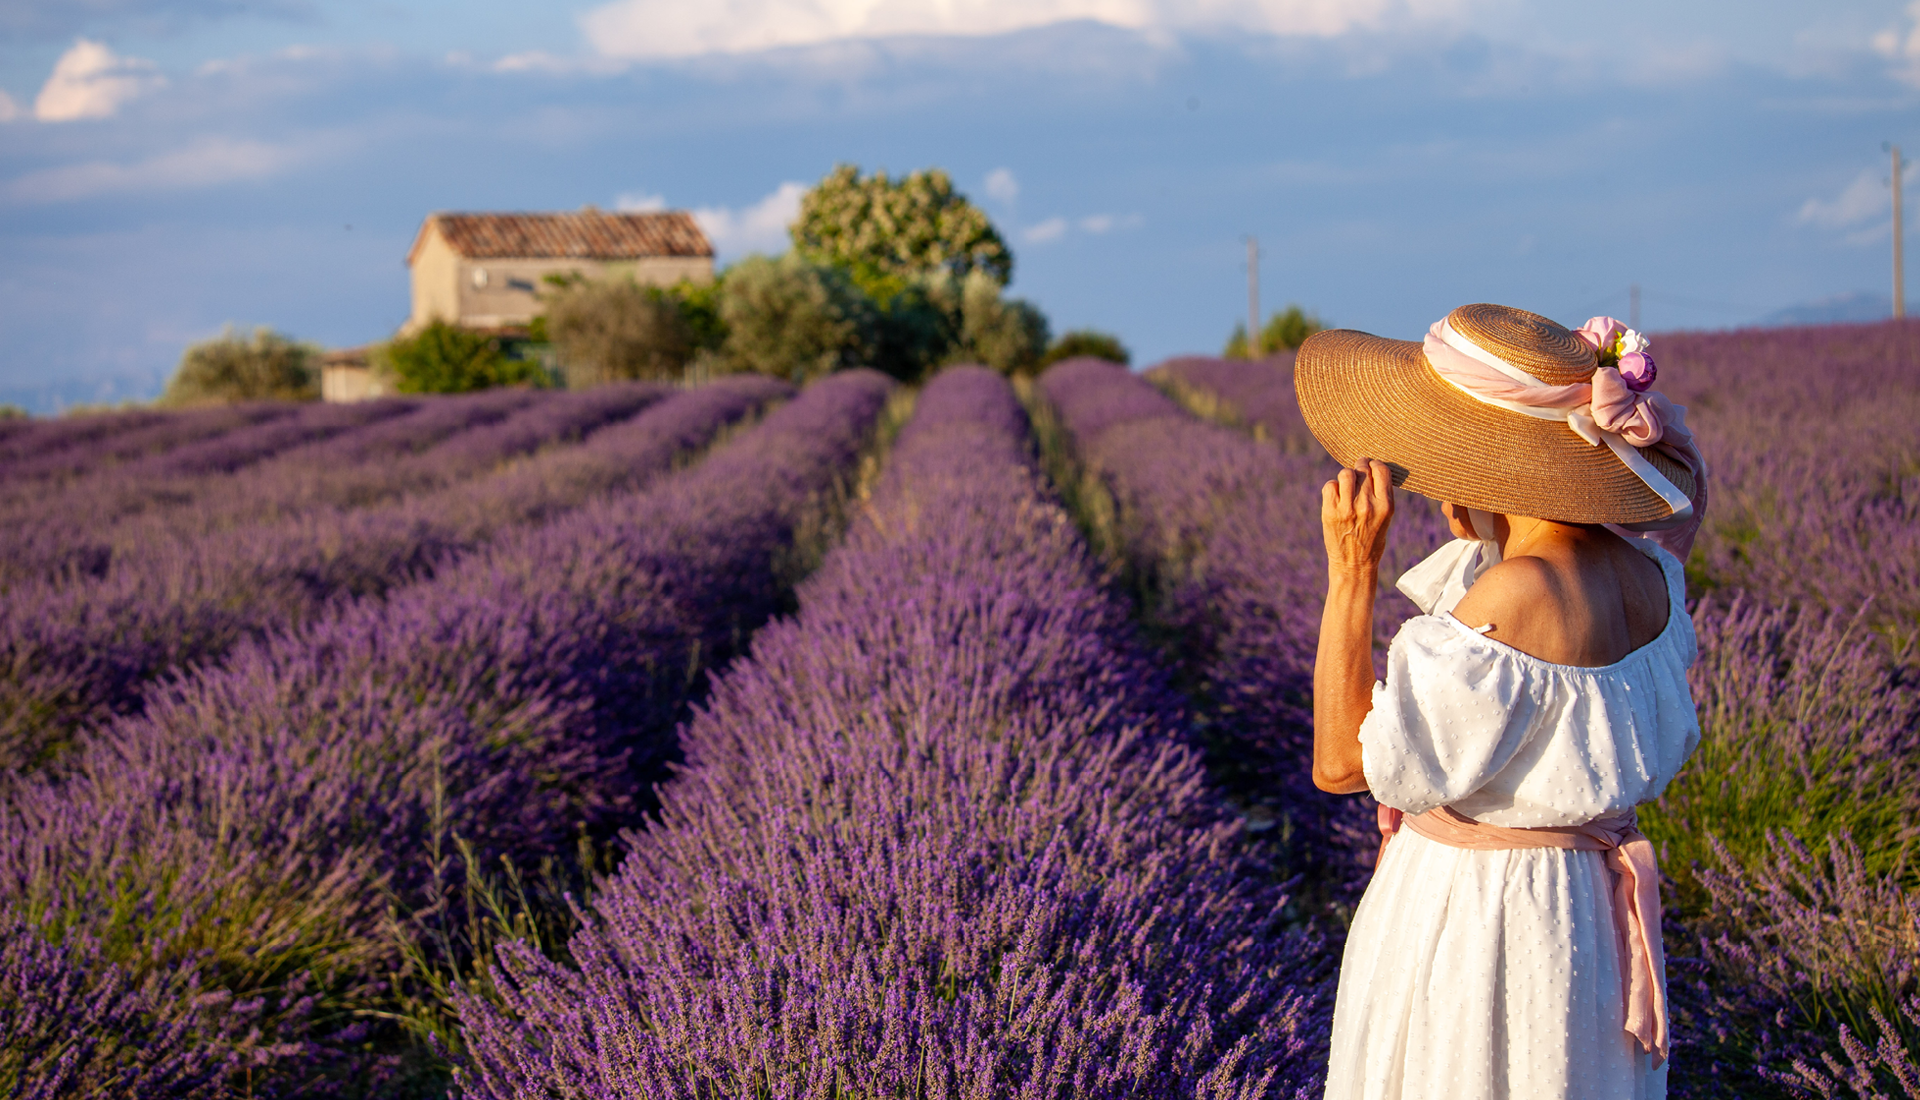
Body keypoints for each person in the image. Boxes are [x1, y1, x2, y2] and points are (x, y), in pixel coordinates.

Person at [1293, 304, 1709, 1100]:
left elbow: (1343, 766)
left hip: (1481, 925)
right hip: (1584, 917)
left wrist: (1351, 575)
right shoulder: (1652, 578)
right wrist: (1482, 521)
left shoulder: (1509, 597)